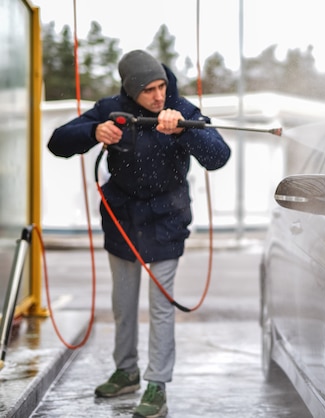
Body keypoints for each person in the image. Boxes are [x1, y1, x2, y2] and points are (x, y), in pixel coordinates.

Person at [47, 49, 231, 418]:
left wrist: (184, 130)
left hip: (167, 219)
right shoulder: (110, 107)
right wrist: (93, 131)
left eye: (162, 86)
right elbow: (57, 142)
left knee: (161, 308)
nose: (158, 96)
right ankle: (126, 371)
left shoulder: (181, 109)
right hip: (122, 220)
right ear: (132, 91)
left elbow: (218, 155)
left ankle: (157, 385)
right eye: (149, 90)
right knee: (123, 304)